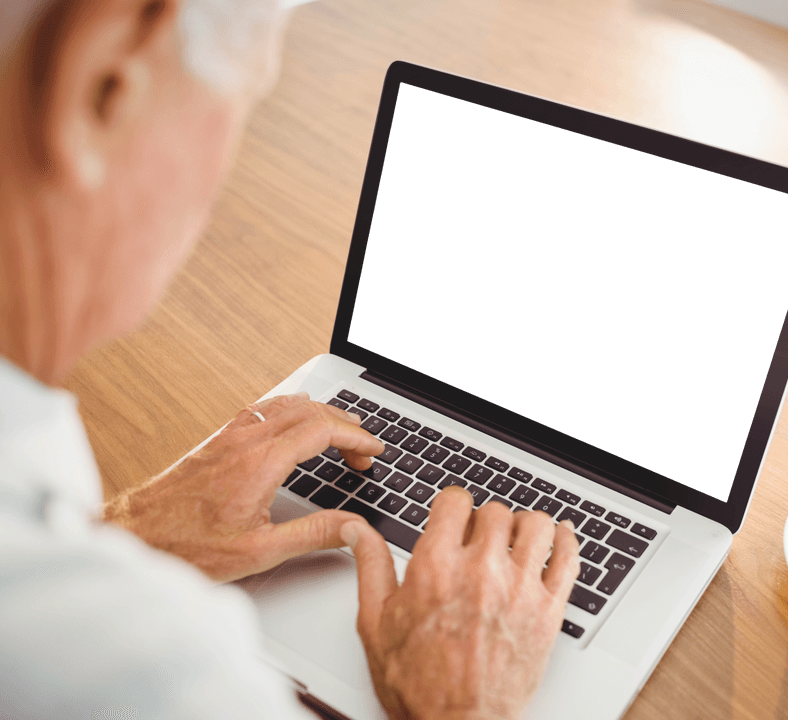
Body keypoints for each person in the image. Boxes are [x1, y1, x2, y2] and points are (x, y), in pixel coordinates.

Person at [0, 0, 580, 718]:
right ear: (103, 80)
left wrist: (131, 532)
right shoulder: (150, 678)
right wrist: (458, 703)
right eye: (249, 96)